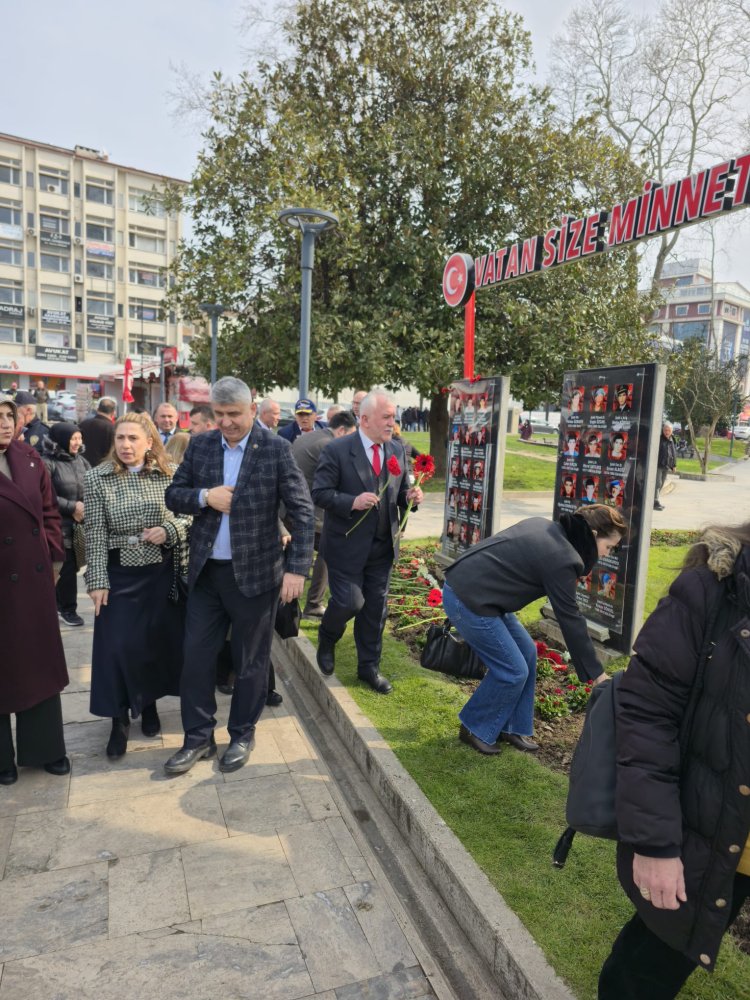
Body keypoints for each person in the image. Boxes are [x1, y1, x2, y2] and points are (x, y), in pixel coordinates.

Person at [598, 522, 750, 998]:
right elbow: (646, 715)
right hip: (716, 831)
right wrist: (656, 845)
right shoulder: (713, 591)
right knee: (647, 970)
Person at [163, 377, 314, 775]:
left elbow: (302, 511)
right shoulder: (200, 446)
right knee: (196, 658)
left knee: (251, 661)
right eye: (220, 414)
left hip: (256, 576)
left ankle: (242, 734)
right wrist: (204, 497)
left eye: (234, 414)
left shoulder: (276, 450)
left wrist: (297, 568)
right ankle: (198, 738)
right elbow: (173, 494)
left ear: (252, 410)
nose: (227, 422)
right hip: (207, 575)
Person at [442, 505, 627, 756]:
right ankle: (474, 727)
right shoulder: (564, 558)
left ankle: (510, 726)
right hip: (468, 597)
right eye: (610, 546)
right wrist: (597, 674)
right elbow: (569, 618)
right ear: (593, 534)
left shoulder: (547, 527)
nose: (607, 553)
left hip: (483, 595)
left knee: (527, 652)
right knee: (512, 670)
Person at [84, 412, 190, 758]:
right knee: (117, 647)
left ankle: (149, 705)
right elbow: (95, 533)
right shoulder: (98, 477)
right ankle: (118, 719)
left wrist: (169, 530)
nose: (126, 445)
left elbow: (189, 513)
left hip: (159, 572)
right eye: (120, 439)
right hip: (118, 574)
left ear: (149, 443)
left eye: (133, 439)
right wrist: (97, 580)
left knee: (153, 643)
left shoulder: (169, 473)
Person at [312, 391, 423, 694]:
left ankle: (369, 668)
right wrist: (352, 501)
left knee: (375, 610)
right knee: (350, 601)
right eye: (386, 417)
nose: (393, 422)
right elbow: (319, 493)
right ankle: (328, 636)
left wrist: (411, 498)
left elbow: (398, 494)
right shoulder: (337, 450)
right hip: (345, 545)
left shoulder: (397, 451)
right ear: (364, 419)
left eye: (393, 416)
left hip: (382, 547)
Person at [0, 395, 70, 784]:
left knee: (39, 664)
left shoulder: (29, 458)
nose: (5, 424)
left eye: (9, 416)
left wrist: (55, 559)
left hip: (34, 578)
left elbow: (48, 514)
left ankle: (45, 750)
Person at [291, 409, 358, 618]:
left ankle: (291, 602)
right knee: (329, 550)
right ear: (341, 431)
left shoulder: (310, 437)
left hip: (290, 509)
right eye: (351, 436)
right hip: (307, 511)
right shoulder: (329, 446)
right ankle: (313, 604)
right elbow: (336, 482)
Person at [42, 422, 91, 627]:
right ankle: (67, 609)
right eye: (73, 438)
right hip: (57, 525)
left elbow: (93, 486)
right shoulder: (47, 463)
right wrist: (72, 507)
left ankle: (58, 605)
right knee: (66, 568)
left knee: (73, 565)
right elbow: (44, 495)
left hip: (79, 525)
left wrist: (85, 507)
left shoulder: (82, 462)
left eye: (79, 438)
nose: (77, 443)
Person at [79, 397, 117, 466]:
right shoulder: (112, 428)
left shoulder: (83, 423)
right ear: (113, 413)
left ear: (97, 410)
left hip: (82, 465)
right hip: (102, 468)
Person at [655, 421, 677, 511]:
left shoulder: (672, 439)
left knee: (662, 483)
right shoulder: (659, 439)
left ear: (671, 431)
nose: (667, 432)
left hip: (666, 466)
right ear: (662, 430)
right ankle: (655, 502)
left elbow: (673, 453)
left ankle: (655, 500)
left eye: (668, 430)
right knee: (658, 483)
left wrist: (674, 465)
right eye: (665, 430)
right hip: (658, 465)